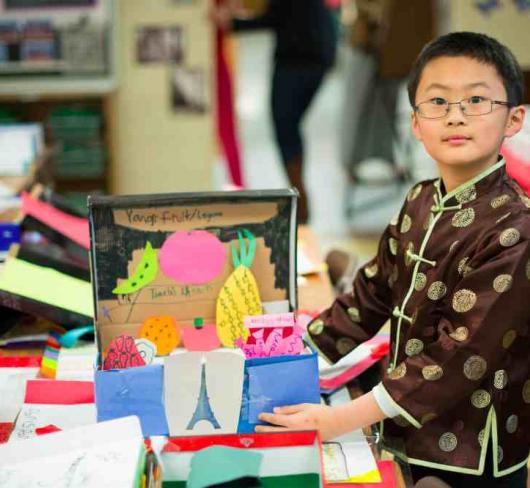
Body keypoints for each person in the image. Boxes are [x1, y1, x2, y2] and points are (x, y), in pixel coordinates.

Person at [255, 32, 530, 487]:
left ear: (514, 119)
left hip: (473, 449)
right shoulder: (422, 199)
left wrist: (339, 419)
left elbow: (460, 356)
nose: (456, 116)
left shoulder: (516, 228)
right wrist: (292, 356)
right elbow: (373, 293)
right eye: (437, 101)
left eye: (477, 100)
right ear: (416, 123)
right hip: (407, 424)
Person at [211, 0, 338, 223]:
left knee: (285, 125)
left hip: (299, 56)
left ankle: (300, 201)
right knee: (289, 126)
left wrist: (233, 24)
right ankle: (299, 197)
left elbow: (275, 16)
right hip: (316, 50)